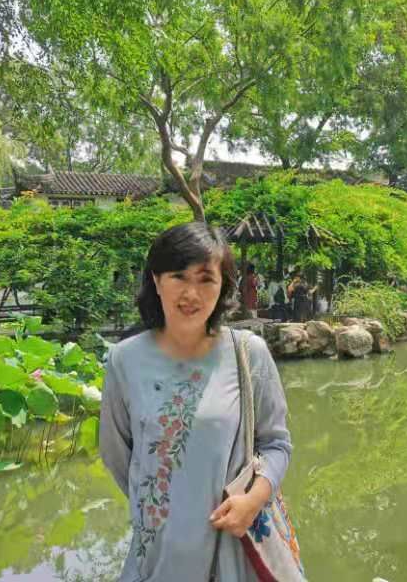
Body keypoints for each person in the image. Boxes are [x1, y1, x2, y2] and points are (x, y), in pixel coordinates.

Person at [99, 222, 292, 582]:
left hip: (233, 541)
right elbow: (116, 453)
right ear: (156, 280)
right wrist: (161, 502)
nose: (192, 293)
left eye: (206, 279)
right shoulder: (124, 360)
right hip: (160, 551)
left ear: (223, 287)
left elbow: (277, 444)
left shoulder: (248, 353)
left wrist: (253, 501)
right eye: (178, 276)